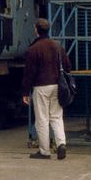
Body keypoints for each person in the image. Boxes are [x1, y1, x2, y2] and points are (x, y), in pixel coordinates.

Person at [22, 18, 71, 160]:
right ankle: (61, 144)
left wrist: (25, 92)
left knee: (42, 119)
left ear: (36, 30)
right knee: (56, 116)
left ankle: (44, 152)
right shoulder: (57, 45)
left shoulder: (33, 49)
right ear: (48, 30)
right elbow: (68, 66)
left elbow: (29, 74)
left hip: (41, 87)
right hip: (57, 86)